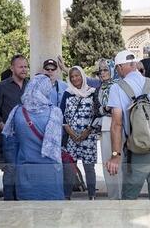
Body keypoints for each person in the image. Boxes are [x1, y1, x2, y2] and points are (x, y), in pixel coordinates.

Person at [106, 50, 150, 200]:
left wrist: (115, 155)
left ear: (120, 67)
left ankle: (127, 222)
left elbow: (116, 124)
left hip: (138, 148)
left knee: (130, 193)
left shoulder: (117, 88)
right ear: (135, 65)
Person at [2, 74, 64, 200]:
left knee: (27, 213)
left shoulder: (17, 112)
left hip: (25, 172)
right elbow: (58, 142)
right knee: (52, 214)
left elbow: (11, 142)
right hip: (50, 172)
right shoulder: (55, 112)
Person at [0, 54, 29, 200]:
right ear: (12, 68)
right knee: (11, 170)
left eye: (26, 66)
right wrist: (4, 128)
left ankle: (22, 200)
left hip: (27, 137)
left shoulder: (30, 85)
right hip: (10, 138)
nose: (24, 69)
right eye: (21, 66)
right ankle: (8, 203)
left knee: (25, 171)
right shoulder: (1, 86)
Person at [60, 66, 98, 200]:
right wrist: (70, 132)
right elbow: (62, 115)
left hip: (88, 136)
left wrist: (87, 131)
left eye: (78, 75)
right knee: (70, 168)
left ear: (83, 76)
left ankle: (92, 195)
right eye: (72, 77)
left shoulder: (93, 92)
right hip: (72, 138)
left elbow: (96, 114)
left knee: (89, 167)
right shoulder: (67, 93)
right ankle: (67, 195)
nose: (75, 78)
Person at [95, 58, 122, 200]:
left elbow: (114, 108)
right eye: (101, 70)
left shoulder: (118, 86)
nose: (102, 73)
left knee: (118, 161)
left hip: (117, 127)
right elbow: (100, 109)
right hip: (106, 127)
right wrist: (104, 108)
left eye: (105, 69)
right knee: (107, 162)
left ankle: (121, 197)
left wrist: (105, 108)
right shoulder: (102, 87)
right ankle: (113, 197)